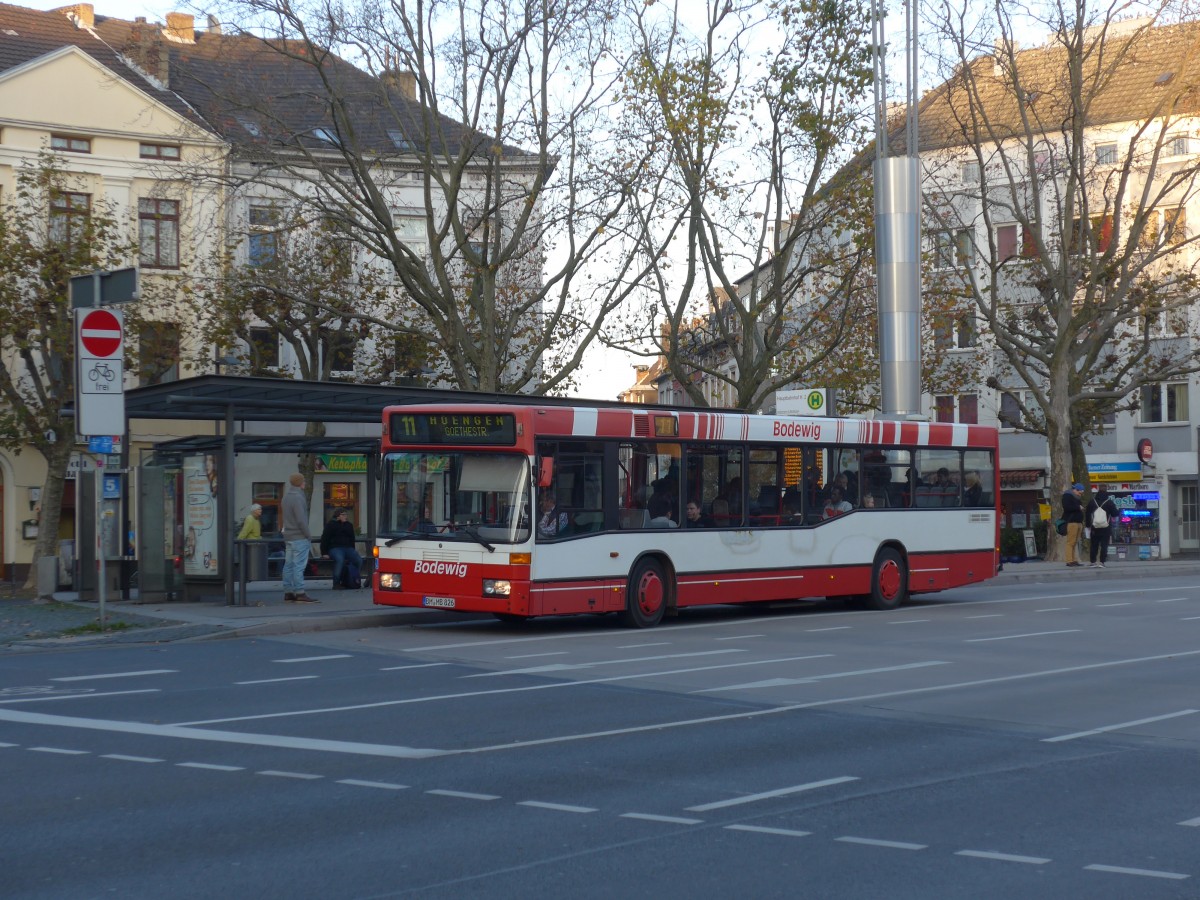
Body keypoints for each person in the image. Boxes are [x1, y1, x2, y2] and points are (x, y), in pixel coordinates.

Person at [281, 473, 317, 603]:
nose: (305, 483)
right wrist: (308, 535)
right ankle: (300, 592)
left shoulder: (285, 497)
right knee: (298, 566)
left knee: (288, 565)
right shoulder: (298, 497)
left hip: (288, 536)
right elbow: (301, 520)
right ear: (300, 483)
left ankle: (288, 591)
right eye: (304, 481)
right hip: (299, 536)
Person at [321, 508, 364, 589]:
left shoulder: (349, 525)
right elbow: (325, 539)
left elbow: (352, 539)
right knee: (339, 560)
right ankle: (336, 583)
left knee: (358, 560)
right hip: (335, 548)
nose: (346, 516)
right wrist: (324, 553)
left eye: (346, 514)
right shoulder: (330, 525)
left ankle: (352, 579)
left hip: (347, 547)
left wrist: (353, 549)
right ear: (338, 516)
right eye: (343, 515)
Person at [1086, 488, 1119, 568]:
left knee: (1094, 544)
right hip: (1106, 527)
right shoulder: (1109, 502)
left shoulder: (1092, 502)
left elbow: (1087, 514)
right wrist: (1117, 510)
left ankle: (1093, 561)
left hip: (1094, 527)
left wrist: (1088, 525)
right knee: (1104, 544)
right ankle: (1102, 562)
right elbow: (1115, 514)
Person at [1061, 482, 1085, 568]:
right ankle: (1069, 560)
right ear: (1075, 490)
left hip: (1078, 522)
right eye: (1079, 492)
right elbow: (1067, 507)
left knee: (1075, 542)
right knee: (1070, 542)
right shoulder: (1067, 496)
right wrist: (1078, 507)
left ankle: (1074, 559)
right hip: (1072, 522)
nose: (1080, 494)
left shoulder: (1077, 497)